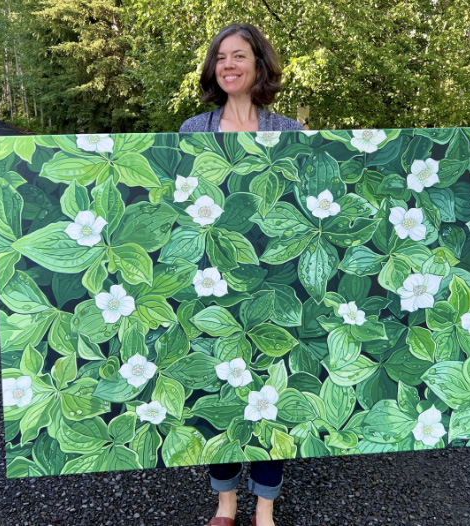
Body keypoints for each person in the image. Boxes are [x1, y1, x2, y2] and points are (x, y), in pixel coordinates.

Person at [179, 23, 303, 526]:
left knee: (272, 392)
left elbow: (302, 202)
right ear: (213, 69)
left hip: (274, 280)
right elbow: (180, 206)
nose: (228, 65)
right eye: (220, 58)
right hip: (213, 279)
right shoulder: (192, 131)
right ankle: (225, 502)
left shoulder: (291, 132)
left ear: (258, 66)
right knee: (222, 392)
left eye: (239, 56)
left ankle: (265, 509)